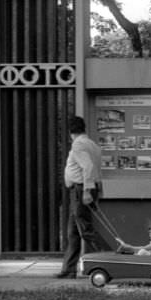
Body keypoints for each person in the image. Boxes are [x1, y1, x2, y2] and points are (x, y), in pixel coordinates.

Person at [56, 116, 104, 279]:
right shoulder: (92, 145)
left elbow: (88, 167)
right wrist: (97, 190)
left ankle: (109, 258)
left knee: (86, 230)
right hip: (85, 189)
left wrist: (86, 191)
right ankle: (68, 269)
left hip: (81, 190)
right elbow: (97, 168)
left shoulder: (78, 145)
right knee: (73, 232)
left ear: (70, 132)